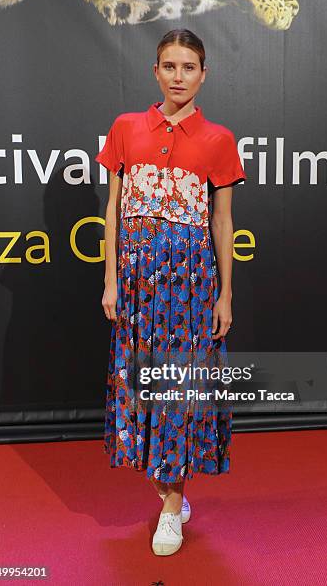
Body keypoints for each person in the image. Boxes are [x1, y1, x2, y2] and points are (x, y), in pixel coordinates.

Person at [95, 28, 247, 556]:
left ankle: (169, 508)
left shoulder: (219, 139)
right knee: (140, 387)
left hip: (190, 285)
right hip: (135, 284)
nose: (178, 76)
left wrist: (225, 295)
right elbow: (113, 209)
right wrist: (113, 279)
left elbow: (222, 223)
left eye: (189, 67)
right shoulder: (126, 128)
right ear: (154, 71)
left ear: (204, 74)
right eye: (169, 66)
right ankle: (166, 490)